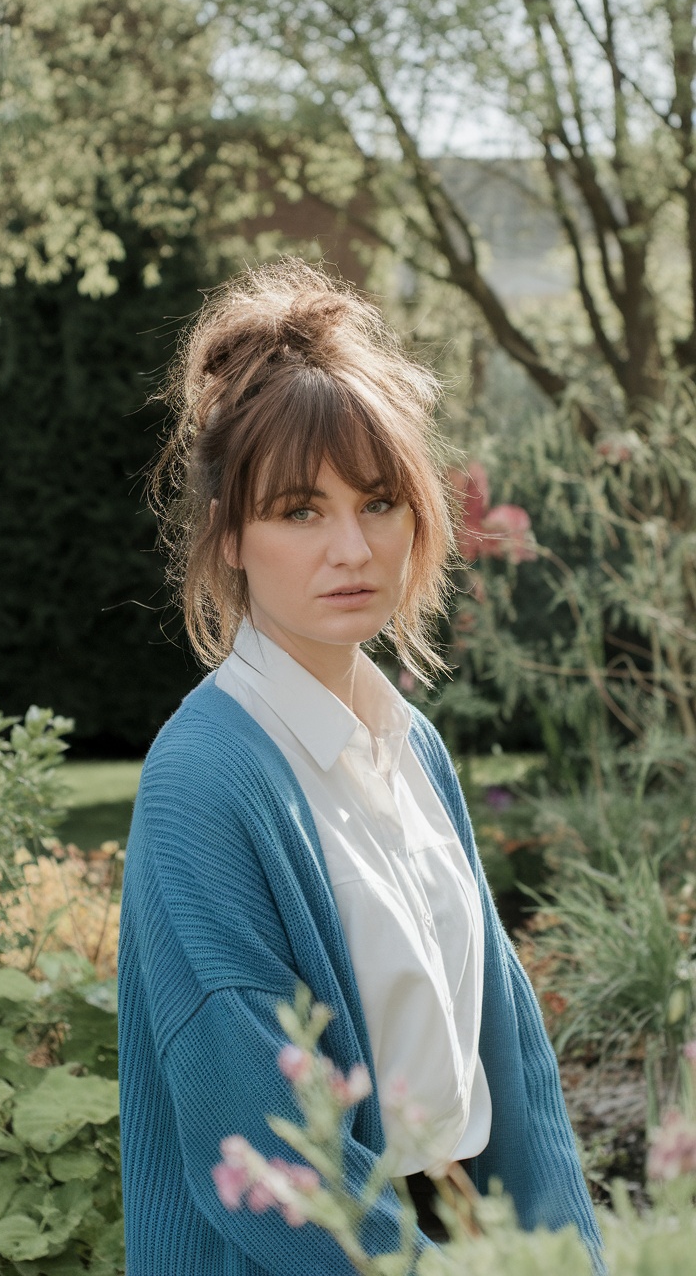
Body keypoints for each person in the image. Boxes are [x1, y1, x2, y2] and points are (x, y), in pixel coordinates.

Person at [117, 259, 603, 1275]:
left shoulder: (409, 740)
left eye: (377, 501)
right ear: (229, 534)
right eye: (300, 509)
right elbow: (270, 1156)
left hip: (469, 1240)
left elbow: (509, 1064)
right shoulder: (203, 781)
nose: (352, 546)